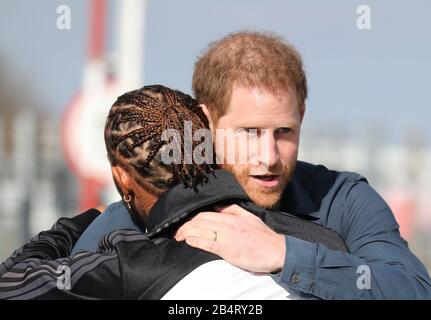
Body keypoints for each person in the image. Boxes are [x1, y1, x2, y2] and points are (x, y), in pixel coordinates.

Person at [0, 85, 347, 300]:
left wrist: (79, 224)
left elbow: (10, 283)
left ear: (122, 178)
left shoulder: (128, 260)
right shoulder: (323, 244)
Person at [169, 31, 431, 299]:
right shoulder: (157, 202)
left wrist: (282, 252)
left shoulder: (343, 200)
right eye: (250, 132)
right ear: (207, 121)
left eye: (284, 131)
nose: (269, 157)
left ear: (301, 116)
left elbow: (414, 291)